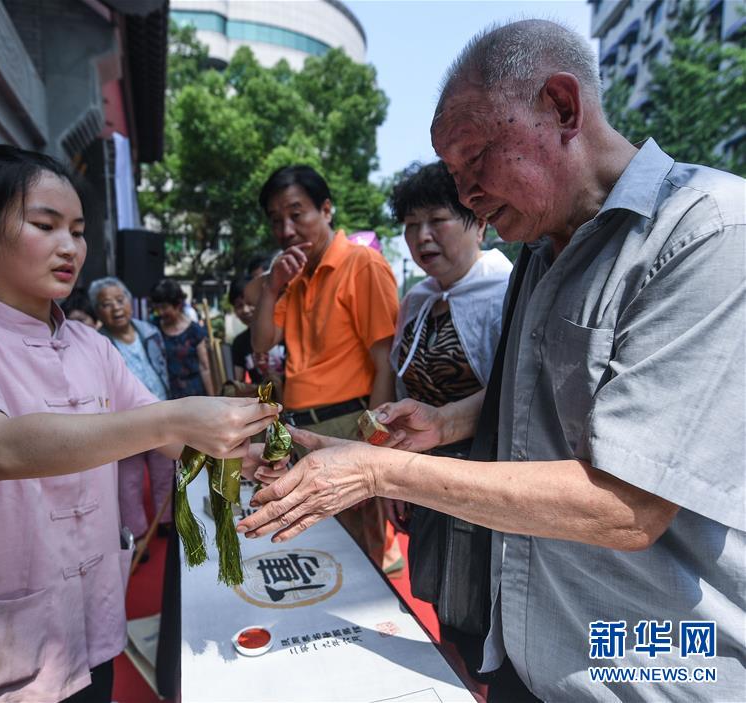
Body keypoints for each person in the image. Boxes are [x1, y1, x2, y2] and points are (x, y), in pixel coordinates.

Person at [239, 19, 745, 703]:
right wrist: (446, 424)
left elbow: (628, 506)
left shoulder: (707, 231)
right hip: (528, 641)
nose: (468, 194)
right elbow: (556, 395)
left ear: (562, 108)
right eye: (454, 175)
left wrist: (378, 468)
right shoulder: (541, 252)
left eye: (476, 160)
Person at [0, 145, 280, 703]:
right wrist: (178, 416)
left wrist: (244, 452)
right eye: (45, 226)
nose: (69, 247)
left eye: (77, 231)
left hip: (89, 622)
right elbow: (0, 449)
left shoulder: (91, 346)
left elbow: (167, 435)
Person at [382, 160, 512, 674]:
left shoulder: (506, 289)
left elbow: (513, 393)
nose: (422, 236)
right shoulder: (416, 300)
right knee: (437, 592)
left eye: (437, 219)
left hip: (485, 474)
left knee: (479, 605)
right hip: (423, 470)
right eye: (411, 225)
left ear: (478, 221)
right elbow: (401, 384)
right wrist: (394, 474)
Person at [251, 164, 400, 567]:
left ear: (326, 210)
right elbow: (261, 343)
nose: (286, 229)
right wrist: (271, 287)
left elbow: (385, 361)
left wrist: (374, 446)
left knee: (355, 559)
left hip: (349, 425)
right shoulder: (294, 279)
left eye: (297, 214)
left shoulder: (361, 264)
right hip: (302, 427)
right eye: (276, 220)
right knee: (320, 551)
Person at [90, 276, 175, 549]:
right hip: (125, 421)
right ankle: (136, 534)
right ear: (97, 311)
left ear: (130, 302)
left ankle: (167, 522)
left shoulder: (150, 331)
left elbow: (162, 369)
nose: (116, 308)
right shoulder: (96, 343)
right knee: (128, 480)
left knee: (165, 472)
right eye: (106, 304)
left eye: (120, 300)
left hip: (160, 411)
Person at [151, 278, 214, 397]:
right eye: (156, 308)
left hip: (194, 396)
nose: (160, 312)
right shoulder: (153, 329)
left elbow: (205, 367)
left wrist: (212, 399)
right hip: (166, 397)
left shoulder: (195, 331)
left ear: (178, 305)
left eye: (164, 307)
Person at [229, 276, 285, 386]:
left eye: (250, 304)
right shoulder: (239, 343)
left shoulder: (285, 332)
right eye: (239, 305)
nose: (245, 310)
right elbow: (237, 381)